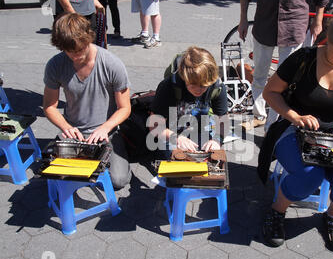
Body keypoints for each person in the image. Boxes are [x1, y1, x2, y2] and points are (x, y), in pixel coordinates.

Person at [261, 5, 333, 252]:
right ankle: (277, 210)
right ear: (327, 42)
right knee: (310, 174)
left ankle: (332, 216)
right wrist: (295, 116)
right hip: (294, 129)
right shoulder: (303, 59)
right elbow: (270, 92)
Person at [43, 13, 132, 189]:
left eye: (80, 50)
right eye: (70, 52)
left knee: (119, 181)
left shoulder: (111, 64)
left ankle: (114, 157)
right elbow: (49, 106)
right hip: (74, 132)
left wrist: (105, 128)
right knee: (53, 174)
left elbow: (125, 108)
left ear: (88, 39)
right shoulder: (55, 65)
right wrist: (66, 127)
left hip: (107, 132)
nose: (76, 56)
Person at [237, 0, 329, 132]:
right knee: (259, 75)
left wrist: (318, 20)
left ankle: (272, 125)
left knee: (286, 82)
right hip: (264, 23)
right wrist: (243, 19)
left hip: (294, 25)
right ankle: (259, 115)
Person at [149, 46, 228, 156]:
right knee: (178, 160)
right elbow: (154, 126)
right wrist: (176, 138)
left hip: (201, 128)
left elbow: (223, 120)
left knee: (208, 157)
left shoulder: (217, 86)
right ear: (184, 77)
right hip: (171, 131)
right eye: (193, 85)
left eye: (203, 86)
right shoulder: (168, 86)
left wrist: (217, 140)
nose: (198, 90)